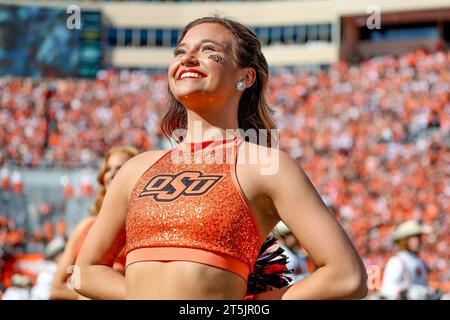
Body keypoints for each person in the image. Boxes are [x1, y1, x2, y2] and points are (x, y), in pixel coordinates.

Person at [75, 16, 367, 300]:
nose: (188, 58)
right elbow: (86, 272)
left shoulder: (267, 166)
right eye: (180, 52)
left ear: (245, 76)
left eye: (209, 50)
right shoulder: (135, 169)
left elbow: (346, 277)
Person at [50, 146, 139, 300]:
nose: (111, 174)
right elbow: (56, 288)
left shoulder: (142, 225)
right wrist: (88, 291)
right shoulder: (84, 227)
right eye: (108, 169)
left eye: (120, 168)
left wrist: (96, 286)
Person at [380, 219, 436, 300]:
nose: (420, 241)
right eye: (416, 238)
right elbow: (386, 289)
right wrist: (406, 292)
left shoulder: (421, 262)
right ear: (405, 240)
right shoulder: (397, 262)